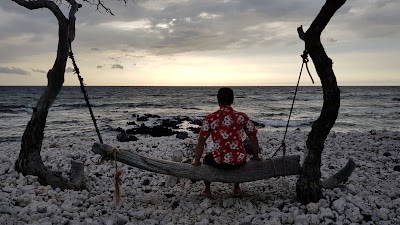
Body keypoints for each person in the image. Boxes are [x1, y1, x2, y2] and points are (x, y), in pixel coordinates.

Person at [192, 87, 261, 198]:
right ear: (232, 100)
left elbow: (201, 141)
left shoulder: (210, 118)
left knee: (206, 160)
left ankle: (207, 190)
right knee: (239, 153)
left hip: (219, 160)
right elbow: (253, 137)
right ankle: (236, 188)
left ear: (218, 100)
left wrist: (196, 161)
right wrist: (256, 156)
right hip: (239, 160)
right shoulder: (242, 117)